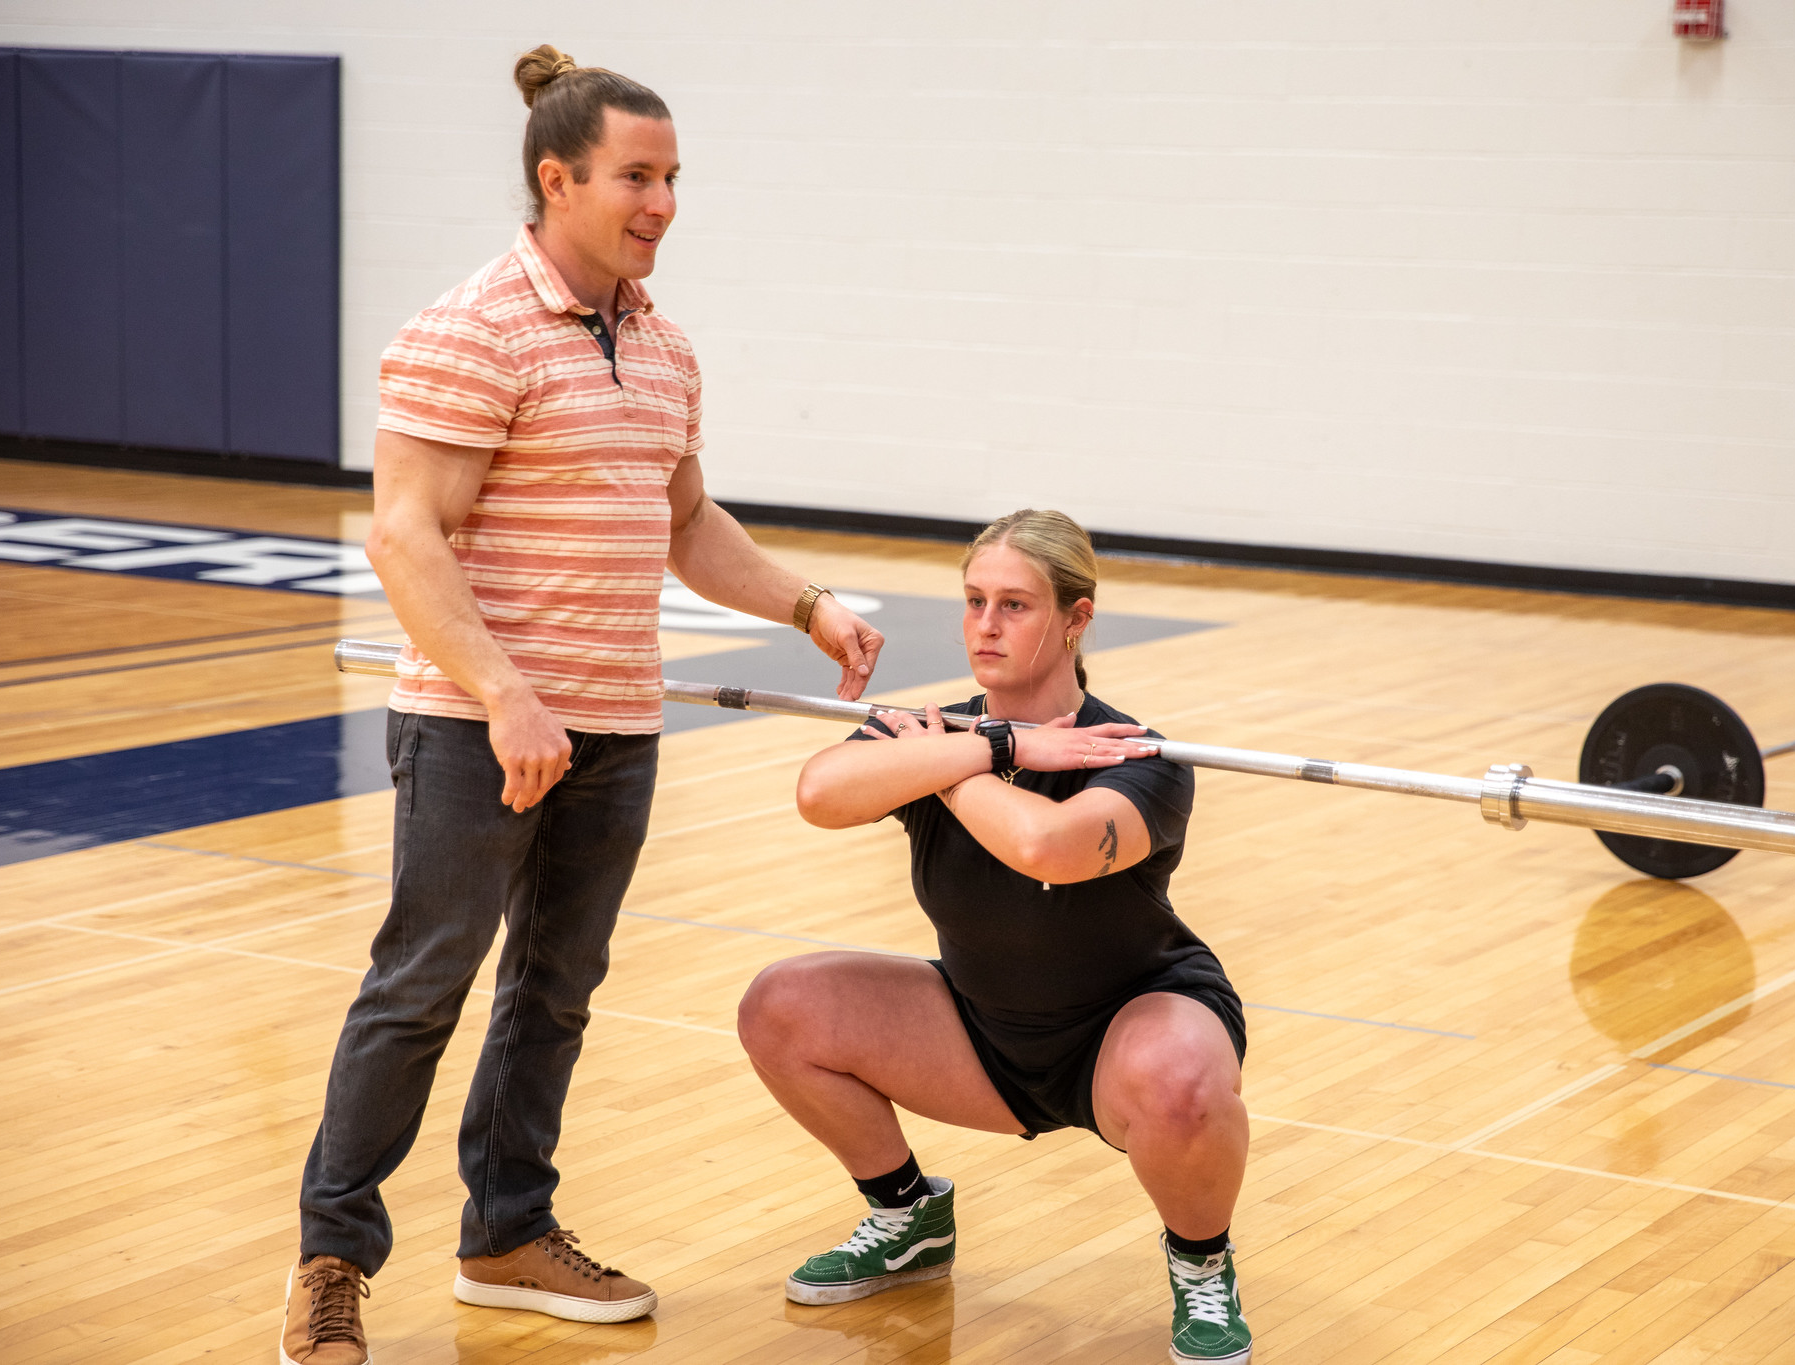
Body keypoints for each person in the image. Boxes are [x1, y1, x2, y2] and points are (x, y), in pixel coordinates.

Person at [281, 45, 885, 1365]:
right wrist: (504, 695)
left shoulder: (662, 347)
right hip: (476, 731)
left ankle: (506, 1229)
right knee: (422, 986)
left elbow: (685, 520)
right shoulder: (469, 330)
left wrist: (806, 606)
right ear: (557, 180)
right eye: (636, 177)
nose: (662, 202)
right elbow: (404, 538)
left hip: (614, 731)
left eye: (673, 178)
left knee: (553, 992)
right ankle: (333, 1258)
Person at [738, 510, 1255, 1365]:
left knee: (1184, 1082)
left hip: (1129, 1032)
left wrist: (945, 764)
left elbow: (1044, 846)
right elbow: (821, 791)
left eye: (1015, 604)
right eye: (975, 599)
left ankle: (1203, 1264)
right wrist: (998, 745)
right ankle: (907, 1217)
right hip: (982, 1031)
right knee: (781, 1006)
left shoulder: (1138, 754)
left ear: (1076, 618)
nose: (985, 624)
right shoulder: (942, 734)